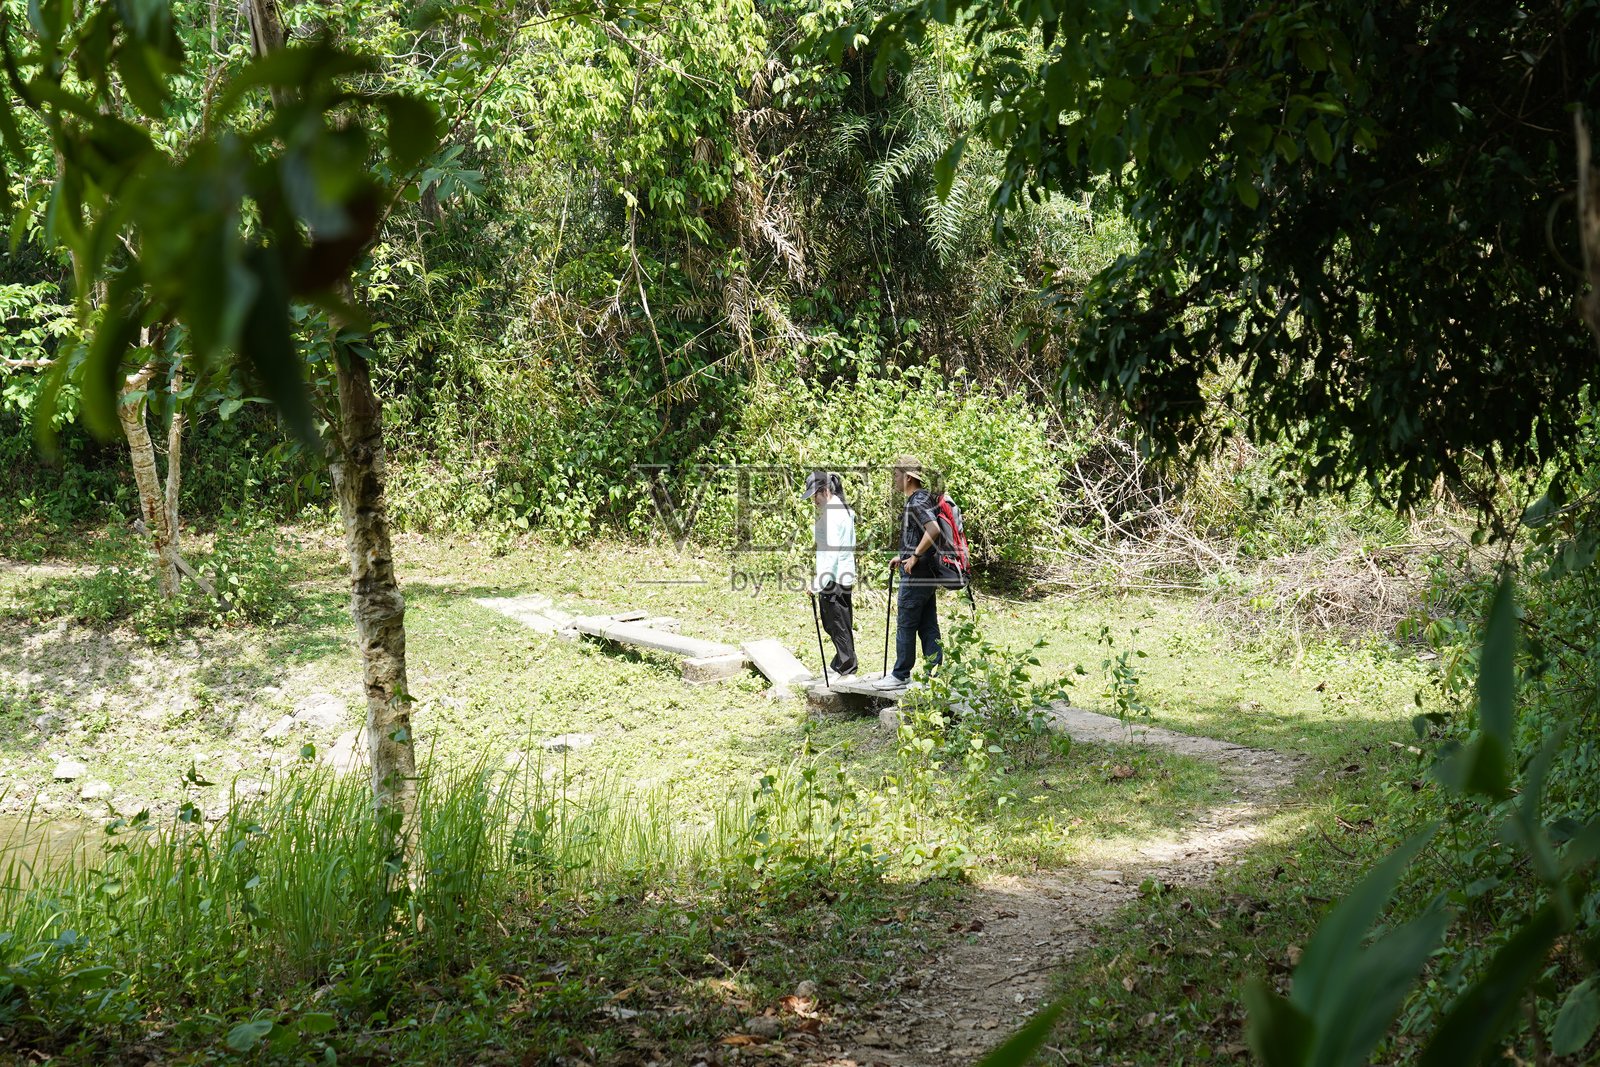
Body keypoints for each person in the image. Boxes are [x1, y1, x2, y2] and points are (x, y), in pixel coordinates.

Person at [875, 455, 942, 690]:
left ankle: (900, 674)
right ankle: (936, 676)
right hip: (927, 574)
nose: (894, 479)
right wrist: (903, 556)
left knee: (906, 624)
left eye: (896, 474)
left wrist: (913, 557)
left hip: (916, 576)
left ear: (908, 477)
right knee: (927, 625)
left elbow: (932, 529)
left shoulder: (917, 501)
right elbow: (922, 534)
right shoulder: (924, 498)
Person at [803, 470, 857, 678]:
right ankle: (841, 663)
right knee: (839, 622)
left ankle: (847, 667)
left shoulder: (833, 514)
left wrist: (817, 583)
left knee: (837, 624)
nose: (813, 501)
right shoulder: (841, 509)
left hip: (833, 577)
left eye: (814, 495)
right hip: (843, 573)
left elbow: (832, 553)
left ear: (824, 491)